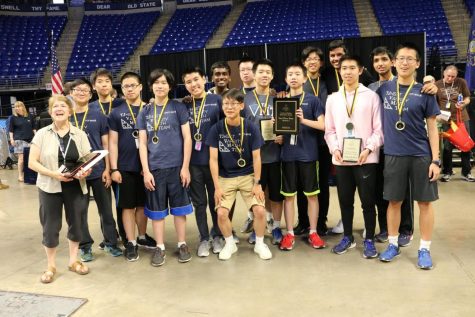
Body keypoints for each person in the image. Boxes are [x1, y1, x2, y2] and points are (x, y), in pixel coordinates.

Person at [378, 43, 440, 270]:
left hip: (421, 155)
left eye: (409, 59)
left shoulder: (425, 92)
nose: (404, 62)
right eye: (400, 58)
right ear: (394, 62)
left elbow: (433, 128)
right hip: (394, 154)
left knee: (424, 202)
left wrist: (436, 160)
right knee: (394, 201)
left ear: (417, 63)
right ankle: (393, 244)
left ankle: (424, 248)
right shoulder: (384, 89)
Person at [28, 95, 92, 283]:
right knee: (50, 227)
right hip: (49, 187)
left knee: (77, 224)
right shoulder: (42, 134)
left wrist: (85, 172)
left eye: (63, 106)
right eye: (55, 106)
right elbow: (32, 162)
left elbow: (88, 160)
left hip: (75, 187)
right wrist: (53, 174)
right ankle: (51, 265)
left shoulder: (79, 134)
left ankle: (73, 261)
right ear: (50, 112)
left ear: (69, 111)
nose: (59, 108)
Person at [324, 54, 383, 258]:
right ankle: (347, 237)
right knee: (345, 201)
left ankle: (369, 240)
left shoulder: (371, 97)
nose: (347, 72)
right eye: (344, 68)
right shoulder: (332, 99)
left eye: (352, 68)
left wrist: (368, 149)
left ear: (360, 70)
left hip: (366, 159)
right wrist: (335, 149)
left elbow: (378, 130)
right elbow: (329, 130)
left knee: (368, 201)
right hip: (341, 160)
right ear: (339, 71)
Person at [206, 88, 272, 261]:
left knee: (259, 210)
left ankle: (259, 243)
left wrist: (258, 183)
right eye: (226, 104)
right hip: (225, 177)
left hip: (248, 175)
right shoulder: (216, 129)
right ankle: (229, 243)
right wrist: (217, 187)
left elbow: (257, 157)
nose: (229, 107)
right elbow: (213, 159)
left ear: (241, 105)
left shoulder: (250, 127)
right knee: (221, 213)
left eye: (233, 103)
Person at [137, 69, 193, 266]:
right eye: (156, 82)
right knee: (157, 211)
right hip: (155, 169)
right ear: (151, 86)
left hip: (177, 167)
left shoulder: (178, 108)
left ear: (170, 86)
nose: (160, 86)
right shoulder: (144, 111)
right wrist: (146, 170)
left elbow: (187, 138)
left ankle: (182, 243)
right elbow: (142, 143)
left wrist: (185, 167)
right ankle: (160, 246)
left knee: (179, 210)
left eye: (164, 82)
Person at [69, 78, 122, 261]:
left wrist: (108, 168)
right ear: (71, 93)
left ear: (90, 94)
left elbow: (105, 144)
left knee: (106, 209)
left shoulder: (98, 116)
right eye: (78, 90)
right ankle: (85, 246)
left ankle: (111, 243)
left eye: (85, 90)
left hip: (99, 170)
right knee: (80, 211)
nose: (82, 92)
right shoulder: (66, 116)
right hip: (76, 173)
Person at [368, 46, 415, 245]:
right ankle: (386, 227)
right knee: (381, 190)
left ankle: (405, 229)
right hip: (378, 148)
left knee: (403, 191)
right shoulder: (370, 88)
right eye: (376, 60)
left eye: (384, 59)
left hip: (401, 147)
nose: (380, 63)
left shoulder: (405, 84)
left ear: (392, 62)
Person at [109, 72, 156, 262]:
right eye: (126, 86)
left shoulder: (151, 110)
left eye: (133, 85)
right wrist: (114, 168)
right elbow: (112, 143)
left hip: (147, 167)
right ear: (122, 90)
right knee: (127, 206)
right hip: (125, 167)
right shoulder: (116, 112)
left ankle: (142, 236)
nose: (130, 89)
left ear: (140, 87)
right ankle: (131, 242)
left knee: (142, 205)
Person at [279, 61, 326, 251]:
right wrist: (277, 134)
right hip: (288, 155)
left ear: (305, 78)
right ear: (285, 78)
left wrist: (303, 120)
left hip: (308, 155)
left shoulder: (313, 100)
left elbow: (323, 126)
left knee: (312, 196)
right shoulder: (281, 101)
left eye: (297, 73)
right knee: (289, 196)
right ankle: (289, 234)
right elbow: (278, 131)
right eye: (290, 73)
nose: (293, 77)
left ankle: (313, 232)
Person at [182, 66, 224, 256]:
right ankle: (204, 238)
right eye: (188, 81)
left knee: (217, 200)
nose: (193, 84)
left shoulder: (217, 100)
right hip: (193, 163)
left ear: (204, 79)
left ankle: (217, 236)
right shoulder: (184, 105)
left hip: (215, 161)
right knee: (199, 203)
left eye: (196, 79)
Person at [243, 58, 284, 246]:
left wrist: (281, 135)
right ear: (254, 74)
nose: (264, 75)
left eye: (268, 72)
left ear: (273, 76)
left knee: (275, 196)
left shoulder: (279, 98)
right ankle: (256, 228)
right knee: (256, 196)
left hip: (275, 155)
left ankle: (275, 226)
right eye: (260, 71)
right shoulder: (244, 99)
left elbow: (286, 123)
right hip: (254, 158)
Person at [297, 45, 330, 237]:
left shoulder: (328, 82)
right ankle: (303, 221)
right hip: (305, 140)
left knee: (322, 184)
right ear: (304, 63)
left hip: (324, 141)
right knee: (303, 184)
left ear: (321, 62)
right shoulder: (300, 84)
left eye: (316, 58)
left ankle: (321, 222)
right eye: (308, 59)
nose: (312, 62)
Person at [435, 65, 474, 182]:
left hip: (462, 118)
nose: (450, 79)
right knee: (447, 147)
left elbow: (467, 97)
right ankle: (447, 172)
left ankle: (466, 173)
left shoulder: (461, 82)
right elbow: (434, 103)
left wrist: (463, 103)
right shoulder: (437, 85)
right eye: (448, 76)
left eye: (453, 77)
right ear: (444, 74)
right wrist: (437, 115)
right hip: (446, 120)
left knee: (465, 145)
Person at [9, 101, 36, 182]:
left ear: (22, 107)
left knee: (31, 158)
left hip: (30, 140)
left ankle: (30, 175)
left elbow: (33, 128)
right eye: (15, 107)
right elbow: (11, 130)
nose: (17, 108)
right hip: (19, 139)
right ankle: (20, 175)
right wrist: (11, 139)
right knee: (21, 159)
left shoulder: (30, 116)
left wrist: (37, 136)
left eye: (18, 106)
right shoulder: (13, 118)